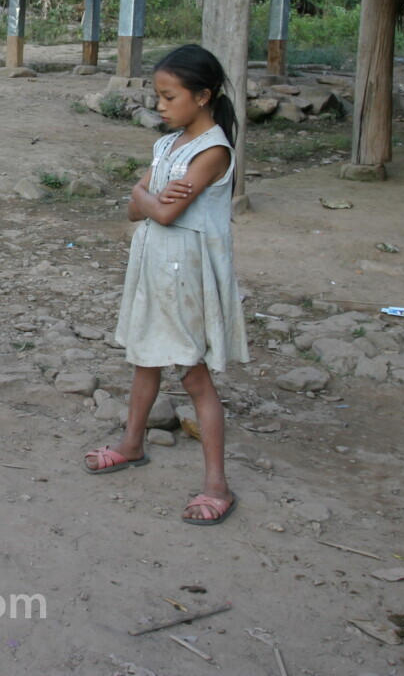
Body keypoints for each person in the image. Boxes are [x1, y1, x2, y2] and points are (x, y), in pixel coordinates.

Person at [81, 44, 248, 525]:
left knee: (193, 376)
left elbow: (166, 210)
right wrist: (144, 195)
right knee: (143, 358)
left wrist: (145, 196)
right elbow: (138, 206)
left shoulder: (213, 150)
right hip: (154, 263)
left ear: (202, 96)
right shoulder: (167, 145)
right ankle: (132, 443)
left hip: (186, 274)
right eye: (158, 96)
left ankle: (217, 483)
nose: (159, 105)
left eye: (168, 96)